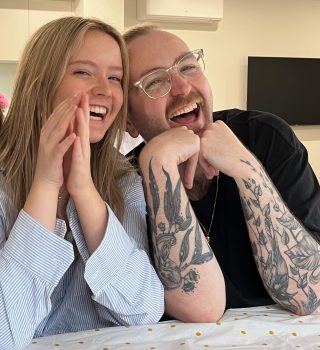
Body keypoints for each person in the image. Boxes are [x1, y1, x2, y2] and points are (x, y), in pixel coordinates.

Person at [123, 24, 320, 323]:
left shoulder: (265, 137)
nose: (182, 88)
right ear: (130, 122)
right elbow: (197, 306)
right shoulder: (125, 182)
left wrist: (246, 169)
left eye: (187, 66)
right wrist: (159, 164)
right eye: (154, 82)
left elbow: (307, 295)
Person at [0, 17, 164, 350]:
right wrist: (45, 186)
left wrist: (86, 192)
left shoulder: (124, 182)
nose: (104, 90)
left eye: (115, 77)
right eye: (83, 72)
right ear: (41, 82)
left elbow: (144, 309)